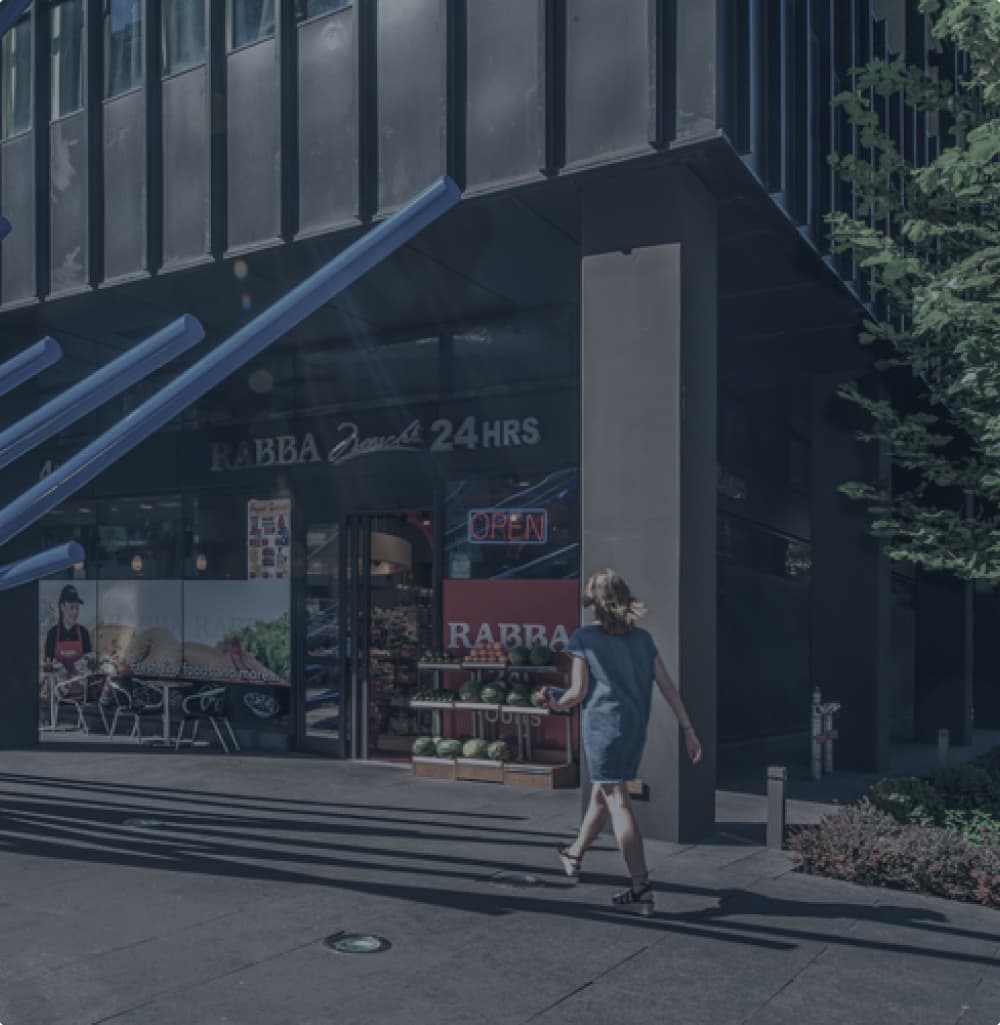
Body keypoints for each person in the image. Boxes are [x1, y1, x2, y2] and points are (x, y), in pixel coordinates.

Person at [540, 569, 702, 917]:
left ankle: (641, 885)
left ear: (594, 604)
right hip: (633, 730)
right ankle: (574, 854)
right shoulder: (643, 640)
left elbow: (577, 693)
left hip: (602, 729)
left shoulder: (584, 638)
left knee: (618, 802)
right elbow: (668, 687)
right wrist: (688, 728)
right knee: (603, 792)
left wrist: (553, 701)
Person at [44, 584, 93, 676]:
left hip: (81, 687)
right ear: (62, 606)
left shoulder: (83, 632)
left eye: (77, 608)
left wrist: (80, 668)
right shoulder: (52, 634)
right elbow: (48, 663)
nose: (75, 612)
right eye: (71, 607)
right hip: (58, 688)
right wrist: (56, 667)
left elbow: (89, 659)